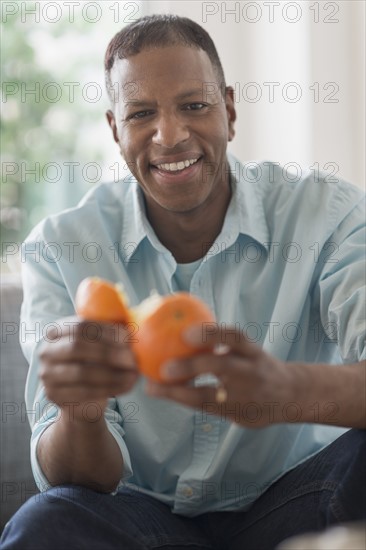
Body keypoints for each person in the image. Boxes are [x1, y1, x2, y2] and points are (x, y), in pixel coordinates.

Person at [1, 14, 365, 550]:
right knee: (45, 523)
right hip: (141, 519)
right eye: (142, 113)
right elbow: (81, 479)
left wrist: (284, 391)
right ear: (115, 130)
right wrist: (82, 410)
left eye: (194, 106)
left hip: (301, 500)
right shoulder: (60, 248)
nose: (170, 135)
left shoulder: (325, 214)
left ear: (230, 110)